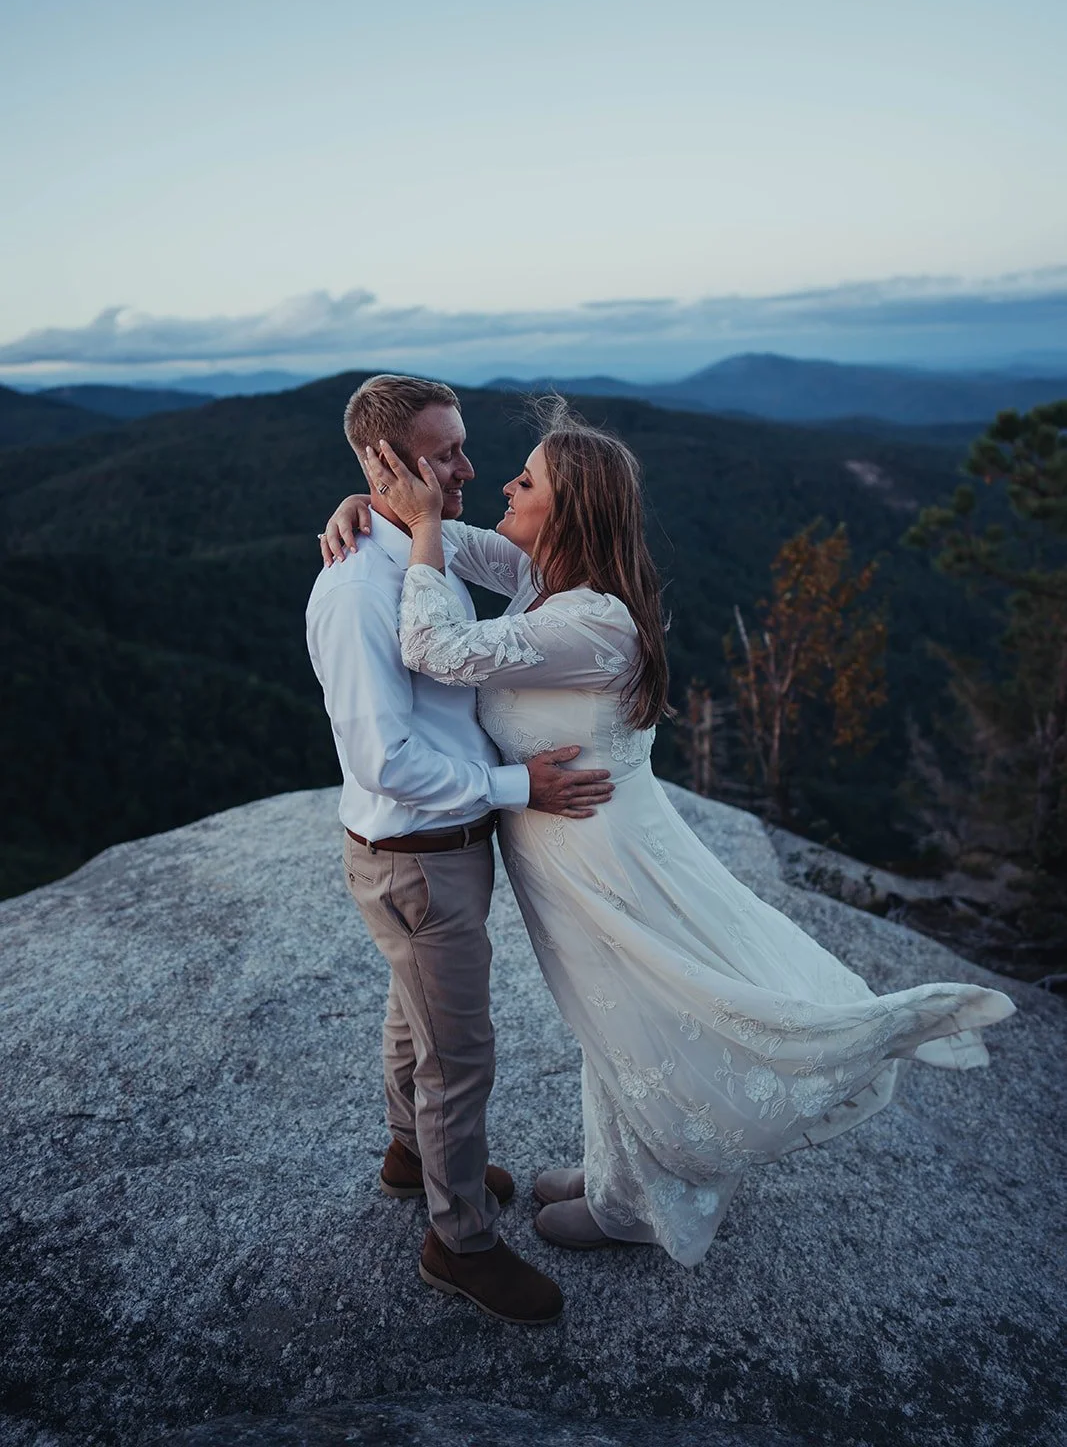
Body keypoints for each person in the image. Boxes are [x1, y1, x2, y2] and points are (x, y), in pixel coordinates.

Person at [323, 396, 1017, 1269]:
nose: (502, 479)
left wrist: (413, 521)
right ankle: (615, 1172)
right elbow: (442, 542)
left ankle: (643, 1205)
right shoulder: (545, 577)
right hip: (567, 847)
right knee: (604, 1021)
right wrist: (366, 507)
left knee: (637, 1019)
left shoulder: (592, 620)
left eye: (525, 478)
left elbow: (432, 644)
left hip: (600, 854)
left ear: (566, 510)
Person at [306, 374, 616, 1326]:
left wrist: (398, 510)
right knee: (461, 1053)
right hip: (417, 851)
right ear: (383, 461)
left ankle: (410, 1155)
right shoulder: (361, 584)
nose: (468, 469)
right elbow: (383, 758)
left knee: (418, 1013)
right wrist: (522, 787)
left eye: (464, 447)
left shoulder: (410, 546)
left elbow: (477, 577)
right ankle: (460, 1242)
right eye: (443, 455)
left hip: (444, 848)